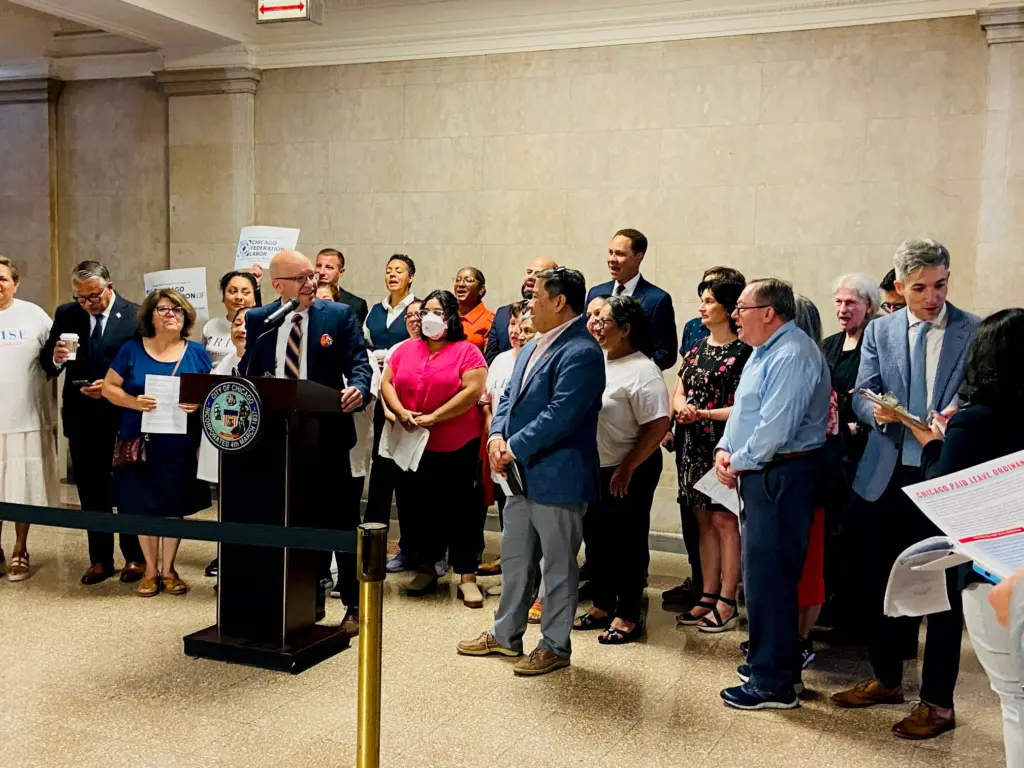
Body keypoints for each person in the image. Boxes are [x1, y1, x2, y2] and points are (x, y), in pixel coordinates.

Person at [832, 239, 979, 740]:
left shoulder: (972, 329)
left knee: (941, 591)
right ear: (899, 286)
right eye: (920, 287)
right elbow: (861, 394)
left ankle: (938, 703)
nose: (932, 296)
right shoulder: (881, 329)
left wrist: (953, 416)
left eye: (941, 284)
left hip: (941, 472)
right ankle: (887, 678)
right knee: (879, 581)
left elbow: (976, 391)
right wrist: (872, 411)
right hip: (885, 473)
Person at [457, 267, 605, 677]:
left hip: (558, 476)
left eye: (536, 297)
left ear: (560, 302)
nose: (527, 307)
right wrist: (495, 438)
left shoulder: (582, 351)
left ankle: (555, 645)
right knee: (516, 558)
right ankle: (506, 636)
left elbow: (563, 415)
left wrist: (513, 446)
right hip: (519, 476)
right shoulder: (532, 345)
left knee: (557, 566)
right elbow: (505, 400)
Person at [897, 308, 1024, 765]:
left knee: (1015, 698)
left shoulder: (978, 419)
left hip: (995, 567)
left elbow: (948, 492)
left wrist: (935, 442)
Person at [714, 278, 831, 710]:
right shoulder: (765, 351)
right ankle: (772, 664)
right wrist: (726, 450)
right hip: (761, 470)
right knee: (762, 577)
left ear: (768, 312)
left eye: (741, 308)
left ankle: (773, 683)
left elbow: (776, 430)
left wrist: (739, 460)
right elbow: (746, 411)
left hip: (783, 473)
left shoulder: (794, 354)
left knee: (771, 579)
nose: (734, 316)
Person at [240, 250, 372, 630]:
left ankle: (354, 605)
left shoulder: (338, 316)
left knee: (340, 522)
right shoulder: (259, 320)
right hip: (277, 439)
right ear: (278, 285)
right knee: (293, 521)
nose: (311, 283)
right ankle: (303, 600)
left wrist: (359, 388)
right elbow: (250, 371)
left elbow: (359, 364)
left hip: (327, 435)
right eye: (300, 278)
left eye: (313, 275)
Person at [41, 260, 146, 585]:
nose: (88, 303)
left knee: (127, 489)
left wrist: (113, 388)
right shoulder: (67, 314)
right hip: (82, 414)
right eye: (81, 297)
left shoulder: (135, 314)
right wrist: (57, 357)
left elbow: (143, 365)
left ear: (109, 287)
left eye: (93, 296)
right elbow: (47, 361)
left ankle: (134, 557)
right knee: (91, 490)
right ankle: (100, 559)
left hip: (121, 415)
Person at [380, 290, 488, 606]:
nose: (428, 317)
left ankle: (467, 576)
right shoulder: (406, 350)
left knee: (463, 511)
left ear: (451, 317)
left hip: (457, 444)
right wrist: (401, 411)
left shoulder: (467, 352)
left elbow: (472, 390)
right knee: (420, 509)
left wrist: (435, 417)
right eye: (425, 310)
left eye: (437, 312)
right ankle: (427, 567)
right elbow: (388, 381)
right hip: (414, 443)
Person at [102, 290, 212, 597]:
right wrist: (133, 402)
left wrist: (198, 403)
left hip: (178, 443)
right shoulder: (131, 350)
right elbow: (109, 388)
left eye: (177, 310)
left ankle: (169, 569)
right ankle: (149, 569)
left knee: (173, 505)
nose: (171, 314)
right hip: (139, 440)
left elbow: (212, 393)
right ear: (150, 315)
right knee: (142, 505)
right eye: (163, 309)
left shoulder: (196, 352)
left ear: (186, 316)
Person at [573, 296, 669, 644]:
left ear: (625, 330)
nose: (595, 325)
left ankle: (628, 614)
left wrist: (627, 466)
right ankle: (601, 604)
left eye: (604, 320)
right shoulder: (596, 360)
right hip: (595, 464)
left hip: (632, 467)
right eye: (594, 319)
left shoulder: (643, 370)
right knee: (596, 537)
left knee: (626, 540)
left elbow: (658, 426)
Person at [662, 265, 745, 614]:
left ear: (728, 308)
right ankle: (707, 593)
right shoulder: (696, 348)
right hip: (691, 443)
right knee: (702, 521)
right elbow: (680, 389)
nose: (701, 308)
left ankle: (727, 598)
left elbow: (745, 408)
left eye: (709, 301)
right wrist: (680, 409)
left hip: (723, 445)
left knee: (725, 521)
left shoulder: (744, 352)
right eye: (701, 300)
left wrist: (704, 414)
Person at [0, 256, 58, 582]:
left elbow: (54, 358)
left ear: (15, 283)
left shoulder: (34, 315)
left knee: (20, 488)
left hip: (25, 417)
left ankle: (20, 549)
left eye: (3, 279)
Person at [478, 301, 532, 578]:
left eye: (523, 326)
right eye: (512, 324)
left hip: (523, 449)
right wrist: (492, 427)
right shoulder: (500, 360)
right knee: (506, 510)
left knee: (528, 517)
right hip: (497, 447)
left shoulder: (537, 360)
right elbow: (487, 400)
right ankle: (510, 567)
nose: (516, 332)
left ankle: (529, 575)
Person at [363, 255, 417, 535]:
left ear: (411, 277)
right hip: (376, 391)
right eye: (388, 270)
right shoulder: (375, 309)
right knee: (379, 464)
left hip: (405, 393)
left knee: (404, 467)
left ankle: (411, 540)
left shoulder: (416, 310)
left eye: (399, 270)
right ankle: (374, 532)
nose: (393, 275)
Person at [586, 229, 676, 371]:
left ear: (638, 256)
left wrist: (632, 368)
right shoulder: (595, 293)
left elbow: (666, 354)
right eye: (610, 252)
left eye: (620, 254)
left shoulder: (657, 300)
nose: (612, 260)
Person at [383, 299, 423, 574]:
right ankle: (406, 549)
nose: (414, 320)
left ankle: (433, 554)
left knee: (429, 498)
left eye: (419, 315)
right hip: (399, 428)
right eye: (409, 316)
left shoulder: (440, 347)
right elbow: (384, 384)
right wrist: (395, 412)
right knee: (406, 497)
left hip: (428, 430)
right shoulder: (397, 349)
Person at [197, 306, 251, 484]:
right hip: (225, 441)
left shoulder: (265, 362)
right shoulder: (224, 363)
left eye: (249, 325)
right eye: (237, 324)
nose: (242, 329)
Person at [484, 256, 556, 364]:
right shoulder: (502, 315)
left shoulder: (555, 314)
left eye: (538, 274)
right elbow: (490, 360)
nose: (530, 277)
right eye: (529, 272)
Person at [202, 270, 260, 367]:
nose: (239, 297)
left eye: (246, 293)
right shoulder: (210, 325)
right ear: (223, 297)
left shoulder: (263, 328)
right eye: (232, 291)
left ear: (254, 299)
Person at [316, 248, 368, 326]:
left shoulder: (356, 305)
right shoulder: (302, 298)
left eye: (329, 267)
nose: (321, 272)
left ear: (341, 272)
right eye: (318, 266)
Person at [454, 267, 494, 351]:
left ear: (481, 289)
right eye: (457, 280)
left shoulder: (490, 320)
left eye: (468, 280)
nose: (460, 284)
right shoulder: (447, 315)